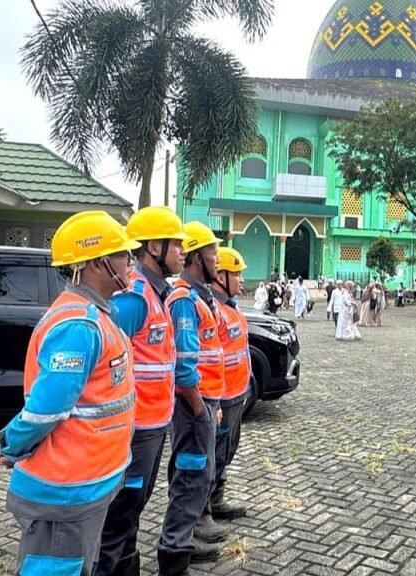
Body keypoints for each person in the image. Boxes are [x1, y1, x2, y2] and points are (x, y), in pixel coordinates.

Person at [0, 211, 138, 576]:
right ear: (96, 264)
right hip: (66, 487)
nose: (129, 262)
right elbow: (46, 408)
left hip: (86, 483)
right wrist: (11, 443)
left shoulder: (99, 315)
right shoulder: (78, 325)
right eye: (122, 255)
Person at [96, 207, 187, 576]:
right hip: (134, 429)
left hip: (152, 424)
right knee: (119, 518)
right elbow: (106, 361)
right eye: (176, 243)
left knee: (131, 512)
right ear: (153, 246)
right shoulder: (135, 297)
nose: (183, 250)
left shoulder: (156, 292)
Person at [159, 222, 225, 573]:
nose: (217, 258)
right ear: (198, 257)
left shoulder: (199, 296)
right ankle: (176, 545)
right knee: (189, 473)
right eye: (213, 251)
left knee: (200, 473)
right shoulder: (184, 300)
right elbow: (184, 369)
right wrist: (200, 409)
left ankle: (186, 536)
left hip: (203, 403)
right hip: (191, 405)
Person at [208, 248, 251, 523]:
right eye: (236, 274)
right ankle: (203, 511)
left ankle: (216, 500)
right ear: (220, 275)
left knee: (227, 451)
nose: (241, 280)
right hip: (222, 399)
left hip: (237, 396)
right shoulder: (213, 310)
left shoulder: (231, 308)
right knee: (215, 453)